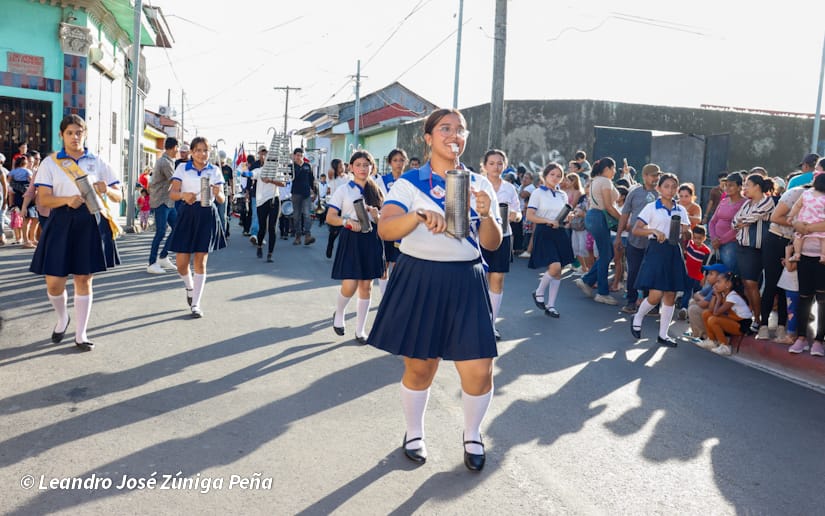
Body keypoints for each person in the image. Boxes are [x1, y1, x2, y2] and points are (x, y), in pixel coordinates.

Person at [367, 108, 502, 471]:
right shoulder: (410, 182)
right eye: (445, 128)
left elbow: (492, 243)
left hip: (466, 279)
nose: (454, 134)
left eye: (460, 129)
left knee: (479, 368)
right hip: (419, 278)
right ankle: (414, 433)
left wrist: (487, 214)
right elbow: (386, 228)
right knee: (421, 368)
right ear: (428, 138)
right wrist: (419, 216)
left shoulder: (478, 183)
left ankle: (472, 434)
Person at [29, 114, 122, 351]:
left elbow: (118, 194)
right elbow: (44, 198)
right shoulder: (51, 163)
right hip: (60, 222)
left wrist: (106, 190)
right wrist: (66, 200)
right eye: (69, 133)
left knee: (83, 278)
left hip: (90, 221)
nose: (74, 137)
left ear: (85, 133)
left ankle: (81, 334)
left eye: (78, 132)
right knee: (54, 282)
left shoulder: (97, 161)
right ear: (62, 135)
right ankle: (63, 318)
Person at [327, 150, 385, 343]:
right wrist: (347, 222)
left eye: (366, 164)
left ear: (372, 167)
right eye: (358, 165)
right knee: (350, 284)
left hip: (371, 240)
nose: (362, 168)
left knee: (366, 287)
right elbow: (330, 217)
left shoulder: (377, 190)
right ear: (351, 168)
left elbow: (385, 219)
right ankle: (339, 313)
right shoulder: (343, 190)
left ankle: (360, 331)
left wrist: (376, 216)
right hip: (351, 238)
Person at [167, 136, 227, 318]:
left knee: (200, 261)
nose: (202, 154)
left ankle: (196, 304)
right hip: (187, 214)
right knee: (181, 264)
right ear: (192, 152)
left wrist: (218, 193)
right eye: (198, 150)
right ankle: (189, 286)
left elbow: (222, 199)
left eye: (205, 150)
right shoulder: (182, 168)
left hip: (207, 214)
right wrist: (184, 195)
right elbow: (172, 194)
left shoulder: (215, 170)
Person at [629, 173, 691, 347]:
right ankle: (638, 317)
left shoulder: (681, 210)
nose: (670, 190)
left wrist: (687, 232)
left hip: (673, 250)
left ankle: (663, 335)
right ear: (659, 188)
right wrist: (654, 231)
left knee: (671, 294)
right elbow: (636, 229)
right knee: (655, 295)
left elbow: (687, 232)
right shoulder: (651, 207)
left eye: (673, 186)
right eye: (666, 186)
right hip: (656, 249)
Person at [481, 149, 521, 337]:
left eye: (499, 163)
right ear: (484, 165)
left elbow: (518, 212)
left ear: (504, 165)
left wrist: (516, 215)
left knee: (497, 278)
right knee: (477, 280)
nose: (496, 167)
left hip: (503, 236)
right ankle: (472, 321)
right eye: (492, 163)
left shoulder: (510, 188)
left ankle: (490, 324)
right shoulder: (478, 185)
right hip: (478, 236)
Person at [527, 162, 574, 318]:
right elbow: (530, 216)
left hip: (560, 232)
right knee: (555, 267)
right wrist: (547, 221)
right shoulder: (537, 193)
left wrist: (568, 218)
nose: (555, 178)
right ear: (545, 175)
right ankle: (539, 292)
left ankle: (551, 306)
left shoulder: (563, 195)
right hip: (544, 231)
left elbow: (562, 217)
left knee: (558, 271)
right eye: (552, 174)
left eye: (559, 175)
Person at [574, 158, 622, 305]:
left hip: (593, 216)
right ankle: (602, 292)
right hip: (600, 217)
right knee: (606, 254)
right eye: (614, 168)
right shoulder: (605, 182)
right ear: (607, 168)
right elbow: (608, 205)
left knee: (607, 254)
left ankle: (587, 280)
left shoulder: (595, 180)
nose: (615, 171)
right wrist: (622, 220)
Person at [733, 174, 776, 333]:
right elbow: (735, 221)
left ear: (757, 186)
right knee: (746, 284)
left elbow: (751, 218)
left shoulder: (767, 201)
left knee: (752, 284)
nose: (744, 189)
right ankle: (752, 316)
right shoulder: (747, 203)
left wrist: (742, 221)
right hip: (743, 247)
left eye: (747, 185)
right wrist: (741, 222)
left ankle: (758, 319)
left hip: (757, 249)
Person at [616, 164, 661, 314]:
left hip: (654, 241)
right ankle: (631, 301)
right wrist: (618, 237)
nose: (656, 178)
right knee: (633, 271)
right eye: (653, 175)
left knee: (651, 271)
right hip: (634, 240)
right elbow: (624, 215)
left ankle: (651, 304)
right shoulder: (634, 193)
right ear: (645, 176)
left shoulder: (662, 193)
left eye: (657, 175)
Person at [790, 170, 825, 356]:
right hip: (804, 255)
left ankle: (819, 340)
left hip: (823, 258)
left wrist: (807, 227)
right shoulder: (806, 195)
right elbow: (793, 218)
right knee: (804, 298)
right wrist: (798, 224)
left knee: (822, 300)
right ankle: (801, 338)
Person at [377, 148, 409, 294]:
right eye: (395, 160)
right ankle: (384, 296)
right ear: (390, 163)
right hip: (386, 225)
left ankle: (394, 295)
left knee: (399, 264)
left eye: (401, 160)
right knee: (384, 263)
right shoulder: (381, 181)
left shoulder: (409, 181)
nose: (398, 163)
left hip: (403, 228)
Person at [699, 272, 753, 355]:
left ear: (728, 284)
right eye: (716, 282)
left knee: (713, 320)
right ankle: (712, 341)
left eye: (719, 282)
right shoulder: (724, 294)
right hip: (733, 320)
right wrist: (714, 295)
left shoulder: (732, 297)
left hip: (742, 325)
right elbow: (711, 309)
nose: (715, 284)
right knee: (706, 313)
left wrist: (719, 298)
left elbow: (716, 313)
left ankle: (725, 346)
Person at [147, 137, 179, 274]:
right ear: (174, 148)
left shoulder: (168, 161)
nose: (178, 151)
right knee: (160, 231)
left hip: (168, 202)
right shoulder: (165, 162)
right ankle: (152, 263)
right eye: (178, 148)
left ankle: (164, 256)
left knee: (177, 227)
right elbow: (175, 181)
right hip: (161, 201)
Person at [708, 172, 746, 274]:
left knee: (729, 274)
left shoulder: (745, 204)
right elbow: (712, 221)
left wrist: (720, 241)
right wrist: (713, 238)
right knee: (714, 275)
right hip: (716, 243)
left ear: (739, 187)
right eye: (726, 185)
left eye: (731, 185)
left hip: (731, 244)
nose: (727, 188)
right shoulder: (723, 201)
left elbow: (738, 227)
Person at [251, 156, 285, 262]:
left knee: (272, 228)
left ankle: (270, 254)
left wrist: (271, 180)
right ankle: (259, 246)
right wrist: (243, 172)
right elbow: (250, 174)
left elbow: (283, 183)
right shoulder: (259, 171)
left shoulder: (278, 172)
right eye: (269, 161)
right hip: (261, 201)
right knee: (262, 228)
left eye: (273, 161)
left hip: (274, 200)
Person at [685, 263, 728, 343]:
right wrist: (702, 299)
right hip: (713, 312)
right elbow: (696, 294)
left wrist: (701, 299)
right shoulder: (712, 286)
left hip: (721, 318)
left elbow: (703, 303)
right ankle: (696, 333)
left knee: (693, 309)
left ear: (719, 277)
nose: (707, 276)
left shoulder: (717, 288)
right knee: (692, 302)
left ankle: (704, 336)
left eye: (711, 274)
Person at [788, 172, 825, 264]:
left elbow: (797, 205)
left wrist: (791, 216)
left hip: (804, 221)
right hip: (819, 223)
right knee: (823, 240)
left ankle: (797, 254)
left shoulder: (806, 193)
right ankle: (823, 256)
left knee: (798, 238)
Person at [679, 225, 712, 319]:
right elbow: (684, 240)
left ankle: (695, 311)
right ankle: (684, 308)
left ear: (704, 238)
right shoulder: (689, 244)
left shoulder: (706, 251)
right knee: (687, 291)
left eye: (700, 238)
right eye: (695, 238)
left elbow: (705, 266)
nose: (697, 240)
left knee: (697, 293)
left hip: (698, 276)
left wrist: (703, 278)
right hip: (688, 273)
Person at [289, 148, 316, 246]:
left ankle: (308, 235)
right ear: (294, 156)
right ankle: (298, 235)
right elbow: (287, 177)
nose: (299, 157)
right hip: (296, 193)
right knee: (296, 216)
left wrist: (314, 191)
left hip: (306, 194)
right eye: (297, 155)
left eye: (301, 155)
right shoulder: (291, 166)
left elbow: (311, 180)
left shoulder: (307, 166)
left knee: (307, 214)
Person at [324, 158, 348, 257]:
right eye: (339, 166)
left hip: (346, 207)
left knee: (345, 231)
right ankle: (330, 245)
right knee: (334, 231)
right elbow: (330, 172)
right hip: (335, 207)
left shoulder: (348, 177)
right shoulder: (332, 177)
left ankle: (342, 253)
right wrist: (334, 168)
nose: (342, 168)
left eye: (342, 165)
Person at [517, 171, 536, 257]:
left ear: (531, 180)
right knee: (524, 231)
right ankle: (524, 248)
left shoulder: (531, 187)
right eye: (524, 177)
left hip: (529, 211)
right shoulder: (522, 186)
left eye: (527, 178)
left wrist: (520, 189)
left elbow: (522, 195)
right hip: (522, 211)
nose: (524, 179)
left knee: (529, 231)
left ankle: (528, 250)